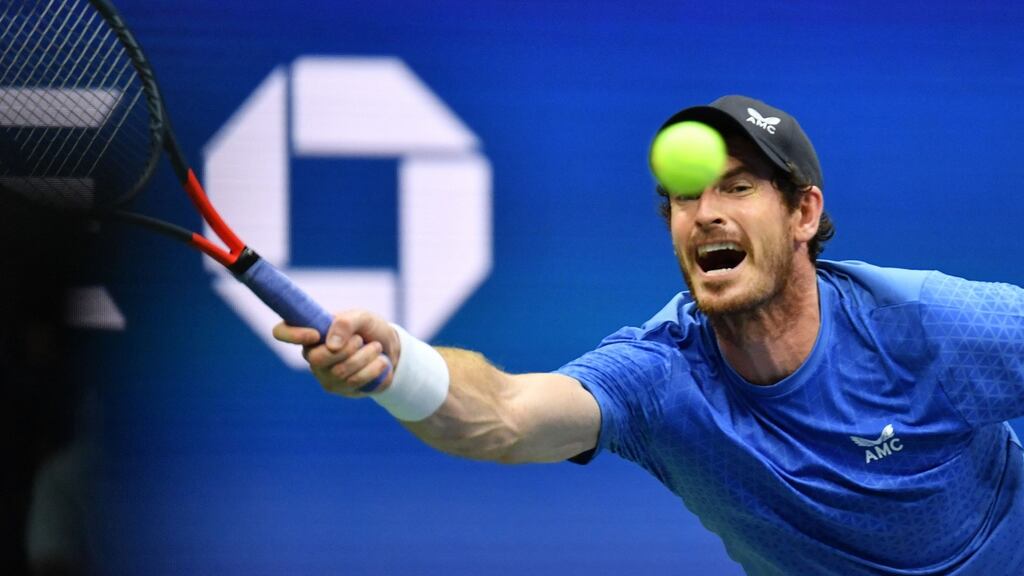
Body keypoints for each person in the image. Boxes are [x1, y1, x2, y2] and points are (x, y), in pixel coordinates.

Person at [273, 95, 1024, 575]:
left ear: (802, 215)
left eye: (737, 186)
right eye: (683, 199)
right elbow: (500, 417)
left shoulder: (918, 325)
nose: (706, 213)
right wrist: (395, 367)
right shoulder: (660, 380)